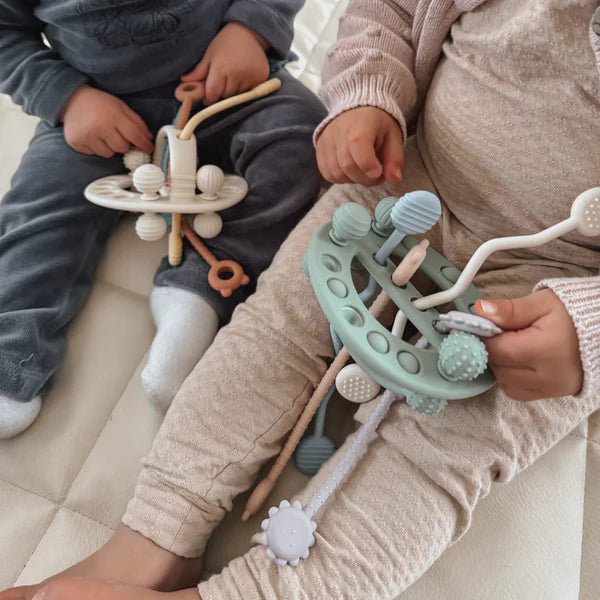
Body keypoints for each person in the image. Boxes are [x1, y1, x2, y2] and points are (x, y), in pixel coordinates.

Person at [2, 0, 600, 598]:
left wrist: (589, 330)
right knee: (273, 332)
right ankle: (153, 538)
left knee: (436, 456)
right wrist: (367, 95)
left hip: (556, 287)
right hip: (403, 183)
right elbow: (389, 9)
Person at [0, 0, 327, 438]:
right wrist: (66, 98)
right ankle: (10, 355)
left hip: (229, 85)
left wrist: (251, 29)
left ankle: (198, 289)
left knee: (304, 134)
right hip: (95, 109)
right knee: (38, 210)